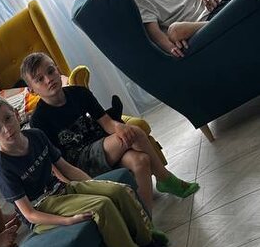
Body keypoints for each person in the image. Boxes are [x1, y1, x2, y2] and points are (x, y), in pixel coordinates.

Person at [0, 94, 184, 247]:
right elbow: (29, 214)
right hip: (42, 208)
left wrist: (95, 185)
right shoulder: (3, 168)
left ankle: (148, 245)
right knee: (101, 206)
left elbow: (66, 168)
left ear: (16, 114)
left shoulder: (36, 136)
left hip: (62, 188)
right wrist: (67, 221)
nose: (6, 129)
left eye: (7, 118)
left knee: (117, 191)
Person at [21, 51, 199, 206]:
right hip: (80, 163)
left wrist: (119, 127)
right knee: (136, 133)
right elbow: (55, 164)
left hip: (101, 146)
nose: (49, 79)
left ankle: (146, 222)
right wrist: (72, 186)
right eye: (39, 79)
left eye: (50, 71)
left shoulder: (79, 93)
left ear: (57, 69)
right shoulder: (39, 120)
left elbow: (107, 122)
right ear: (32, 90)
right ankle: (164, 178)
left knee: (141, 161)